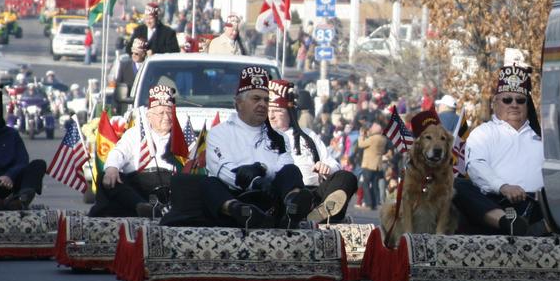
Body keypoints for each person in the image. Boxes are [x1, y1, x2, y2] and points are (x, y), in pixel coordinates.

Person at [161, 66, 314, 229]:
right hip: (235, 196)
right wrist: (253, 181)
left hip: (270, 197)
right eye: (256, 99)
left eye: (266, 100)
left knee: (292, 171)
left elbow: (284, 165)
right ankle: (240, 211)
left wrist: (261, 169)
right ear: (239, 103)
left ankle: (293, 210)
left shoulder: (279, 137)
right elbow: (222, 169)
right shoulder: (219, 133)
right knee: (209, 183)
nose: (263, 104)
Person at [453, 64, 546, 236]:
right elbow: (476, 166)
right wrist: (503, 187)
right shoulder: (484, 132)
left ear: (528, 105)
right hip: (496, 204)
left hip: (537, 205)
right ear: (495, 103)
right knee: (457, 186)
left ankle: (539, 225)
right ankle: (508, 223)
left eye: (520, 100)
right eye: (507, 100)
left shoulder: (543, 138)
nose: (514, 105)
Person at [267, 79, 358, 222]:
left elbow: (333, 164)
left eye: (277, 111)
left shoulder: (308, 135)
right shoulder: (261, 136)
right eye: (268, 110)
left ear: (290, 112)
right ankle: (307, 216)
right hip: (283, 197)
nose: (271, 116)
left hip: (314, 196)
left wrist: (327, 168)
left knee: (347, 177)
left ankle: (319, 215)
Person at [89, 85, 179, 218]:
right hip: (137, 186)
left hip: (170, 185)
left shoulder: (182, 137)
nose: (166, 117)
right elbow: (119, 152)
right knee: (105, 177)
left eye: (170, 112)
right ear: (149, 116)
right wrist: (112, 168)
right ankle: (142, 207)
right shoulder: (135, 133)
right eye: (161, 113)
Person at [0, 85, 45, 210]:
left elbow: (22, 160)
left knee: (38, 165)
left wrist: (9, 176)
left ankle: (20, 200)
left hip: (7, 182)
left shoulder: (11, 134)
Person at [358, 122, 387, 210]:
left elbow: (361, 144)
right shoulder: (383, 139)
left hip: (368, 164)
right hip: (377, 164)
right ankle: (375, 203)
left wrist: (361, 135)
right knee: (375, 184)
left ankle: (369, 203)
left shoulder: (373, 138)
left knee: (365, 184)